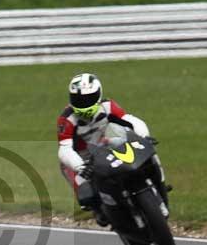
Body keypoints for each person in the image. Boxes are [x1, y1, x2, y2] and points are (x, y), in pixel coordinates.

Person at [56, 72, 167, 226]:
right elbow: (64, 149)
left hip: (107, 144)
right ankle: (100, 210)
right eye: (78, 100)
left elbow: (129, 120)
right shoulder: (67, 119)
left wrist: (144, 136)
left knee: (149, 154)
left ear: (98, 95)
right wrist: (80, 166)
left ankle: (159, 184)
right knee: (86, 194)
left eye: (88, 99)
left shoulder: (108, 106)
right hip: (82, 157)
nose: (83, 103)